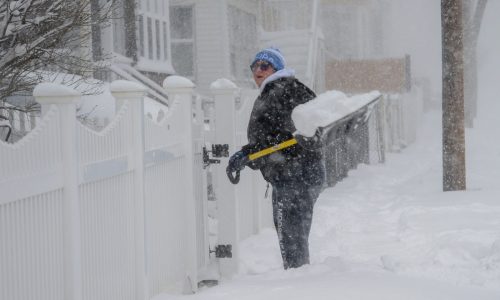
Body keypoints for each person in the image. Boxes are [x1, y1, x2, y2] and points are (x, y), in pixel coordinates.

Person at [227, 47, 325, 269]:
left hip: (292, 175)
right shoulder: (292, 89)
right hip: (306, 172)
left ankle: (297, 280)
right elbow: (284, 137)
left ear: (277, 69)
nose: (258, 70)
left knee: (290, 233)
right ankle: (301, 274)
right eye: (254, 66)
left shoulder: (277, 92)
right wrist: (250, 154)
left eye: (265, 65)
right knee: (296, 231)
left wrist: (248, 154)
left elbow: (278, 140)